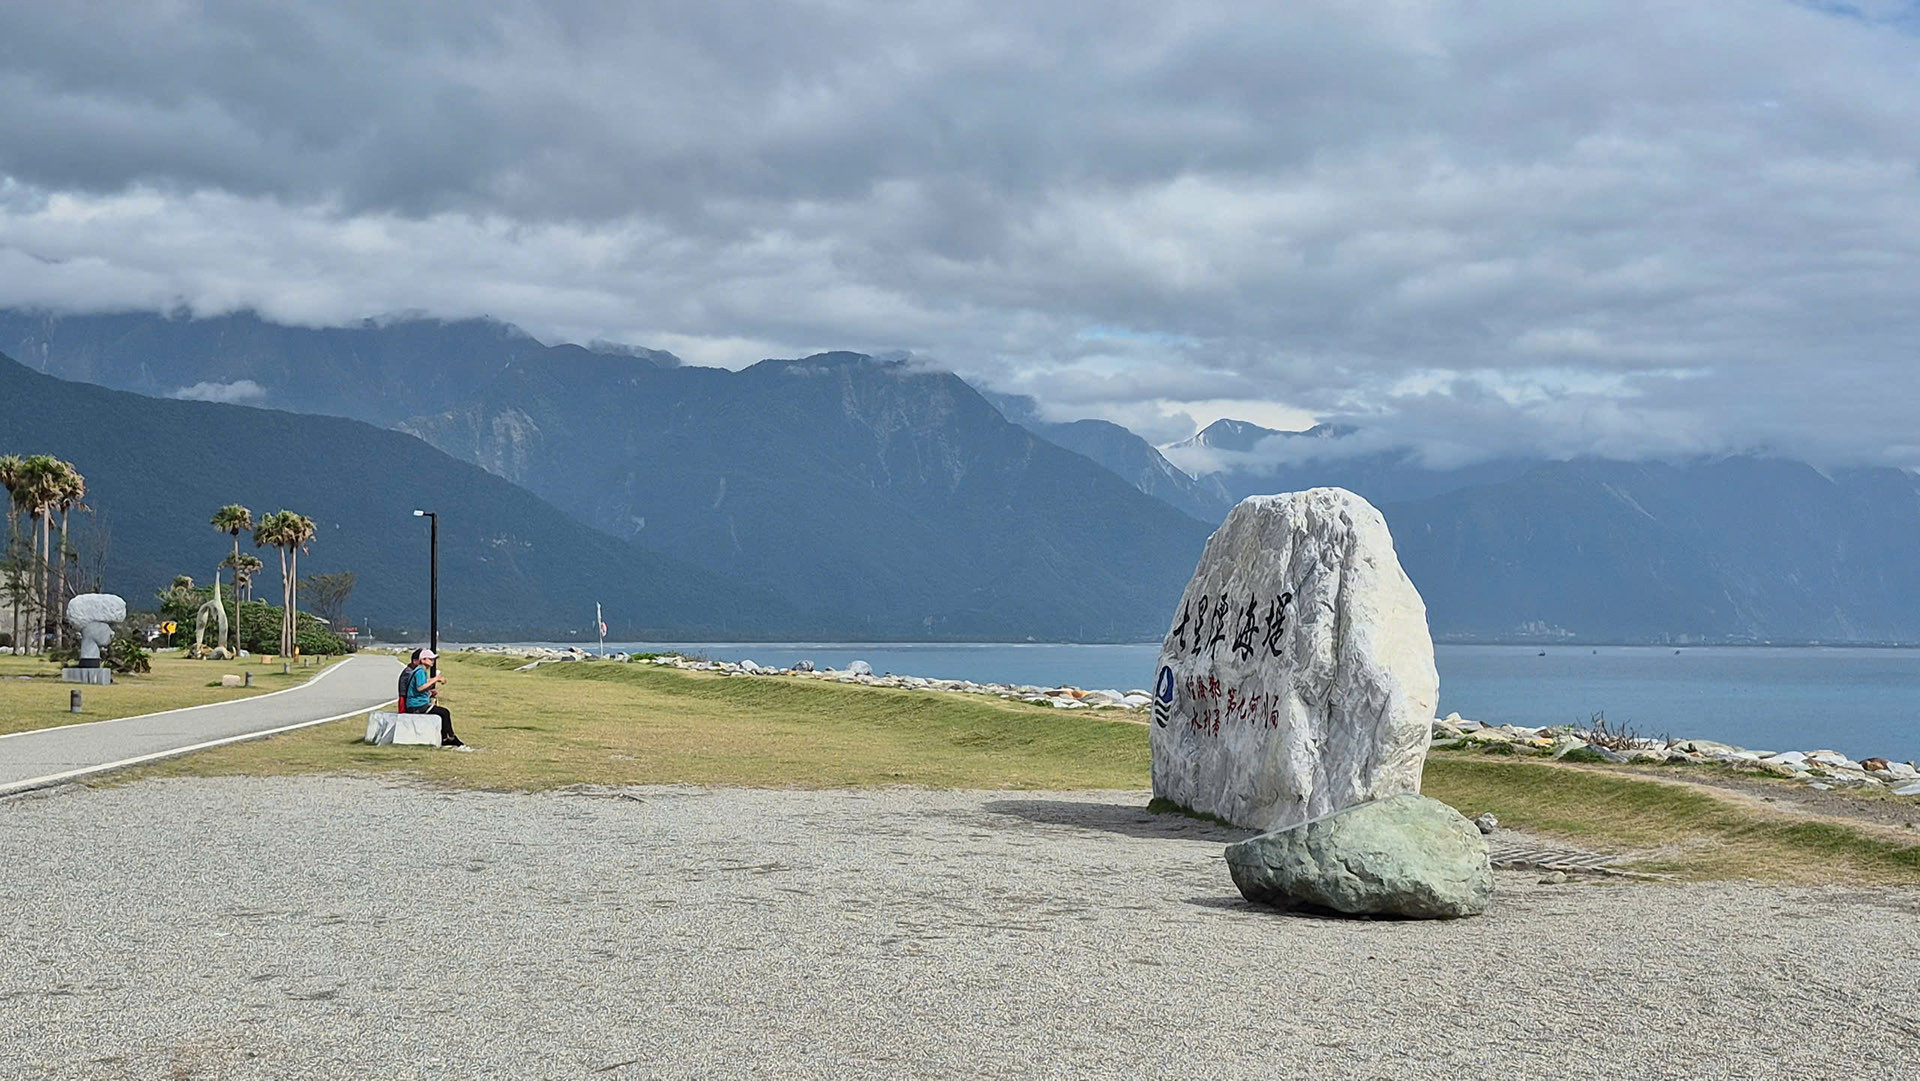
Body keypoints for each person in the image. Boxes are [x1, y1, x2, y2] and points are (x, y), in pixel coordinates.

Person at [399, 648, 463, 747]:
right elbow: (420, 687)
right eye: (430, 659)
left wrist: (432, 684)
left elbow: (423, 684)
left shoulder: (419, 671)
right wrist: (436, 679)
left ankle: (447, 737)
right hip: (417, 705)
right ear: (423, 660)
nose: (432, 661)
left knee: (442, 713)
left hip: (416, 703)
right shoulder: (420, 671)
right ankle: (449, 737)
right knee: (444, 712)